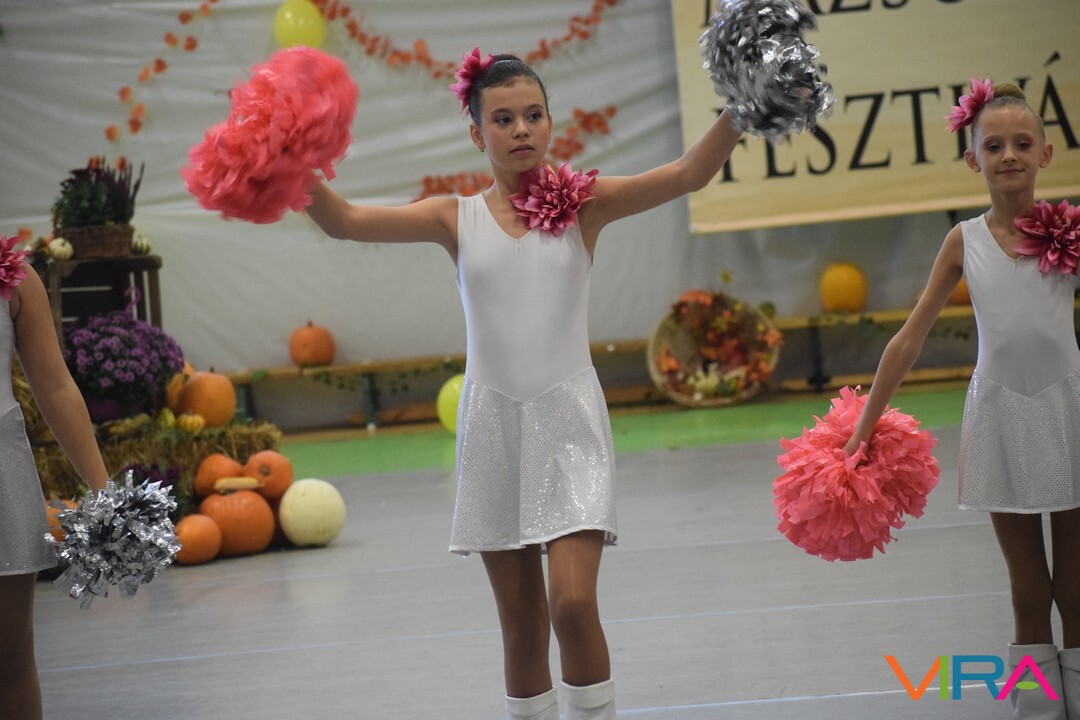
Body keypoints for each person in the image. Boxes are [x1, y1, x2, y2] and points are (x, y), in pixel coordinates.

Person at [304, 49, 742, 720]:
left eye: (533, 115)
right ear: (476, 132)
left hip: (571, 426)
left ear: (550, 123)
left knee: (573, 603)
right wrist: (286, 162)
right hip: (493, 430)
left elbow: (688, 173)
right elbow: (343, 222)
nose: (521, 130)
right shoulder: (452, 218)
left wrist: (746, 106)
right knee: (521, 627)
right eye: (503, 119)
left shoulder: (585, 205)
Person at [843, 80, 1080, 719]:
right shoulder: (963, 241)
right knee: (1028, 589)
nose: (1009, 155)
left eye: (1022, 143)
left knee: (1077, 589)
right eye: (993, 146)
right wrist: (864, 426)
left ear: (1046, 153)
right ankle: (1038, 708)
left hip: (1070, 414)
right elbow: (908, 341)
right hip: (1000, 419)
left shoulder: (1071, 232)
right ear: (973, 159)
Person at [0, 238, 111, 720]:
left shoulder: (14, 277)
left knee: (9, 658)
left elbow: (55, 385)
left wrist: (103, 489)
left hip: (2, 485)